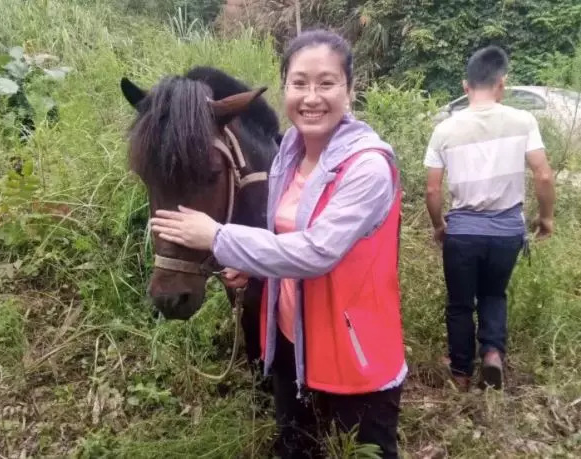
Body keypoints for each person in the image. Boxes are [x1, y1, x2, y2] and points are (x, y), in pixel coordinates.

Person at [150, 30, 407, 459]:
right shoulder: (289, 149)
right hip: (292, 336)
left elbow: (317, 251)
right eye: (299, 82)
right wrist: (254, 265)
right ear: (284, 86)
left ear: (350, 89)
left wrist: (216, 236)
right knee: (295, 446)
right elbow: (282, 234)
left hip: (353, 352)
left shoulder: (367, 167)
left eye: (326, 83)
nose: (311, 96)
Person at [424, 45, 556, 391]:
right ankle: (493, 353)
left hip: (463, 232)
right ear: (502, 84)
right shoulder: (523, 120)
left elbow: (433, 192)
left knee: (460, 303)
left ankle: (461, 373)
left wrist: (440, 226)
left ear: (466, 86)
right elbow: (543, 175)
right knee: (494, 295)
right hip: (507, 232)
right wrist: (547, 219)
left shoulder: (445, 129)